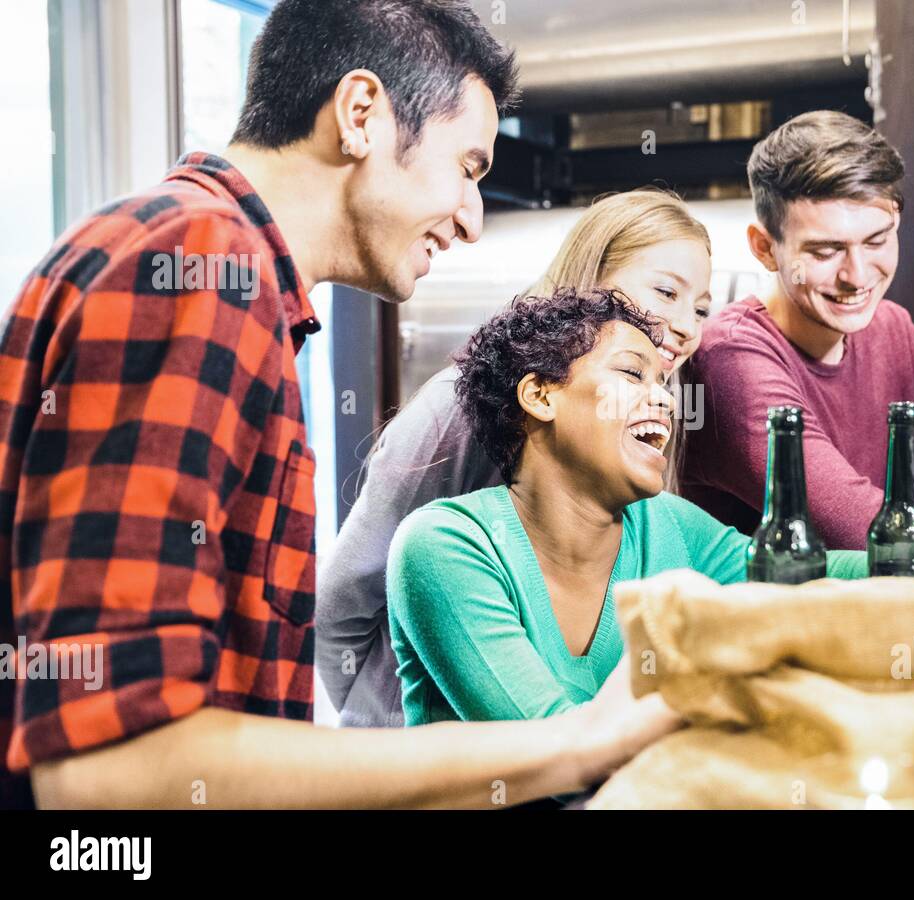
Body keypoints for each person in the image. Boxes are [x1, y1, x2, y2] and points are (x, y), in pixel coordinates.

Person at [0, 0, 677, 811]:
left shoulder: (203, 263)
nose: (470, 219)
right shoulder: (199, 263)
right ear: (360, 115)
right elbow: (109, 772)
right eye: (467, 167)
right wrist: (577, 743)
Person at [387, 289, 914, 725]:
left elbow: (816, 574)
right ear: (540, 396)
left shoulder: (669, 525)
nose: (664, 401)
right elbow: (556, 748)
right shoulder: (446, 547)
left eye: (664, 384)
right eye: (633, 374)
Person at [317, 189, 713, 727]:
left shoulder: (641, 423)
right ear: (592, 278)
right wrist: (381, 726)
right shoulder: (453, 407)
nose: (687, 324)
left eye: (702, 308)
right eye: (666, 292)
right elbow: (343, 601)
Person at [681, 110, 914, 551]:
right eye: (825, 251)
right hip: (768, 617)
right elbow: (852, 525)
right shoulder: (730, 359)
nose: (857, 276)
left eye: (877, 241)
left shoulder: (892, 330)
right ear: (765, 248)